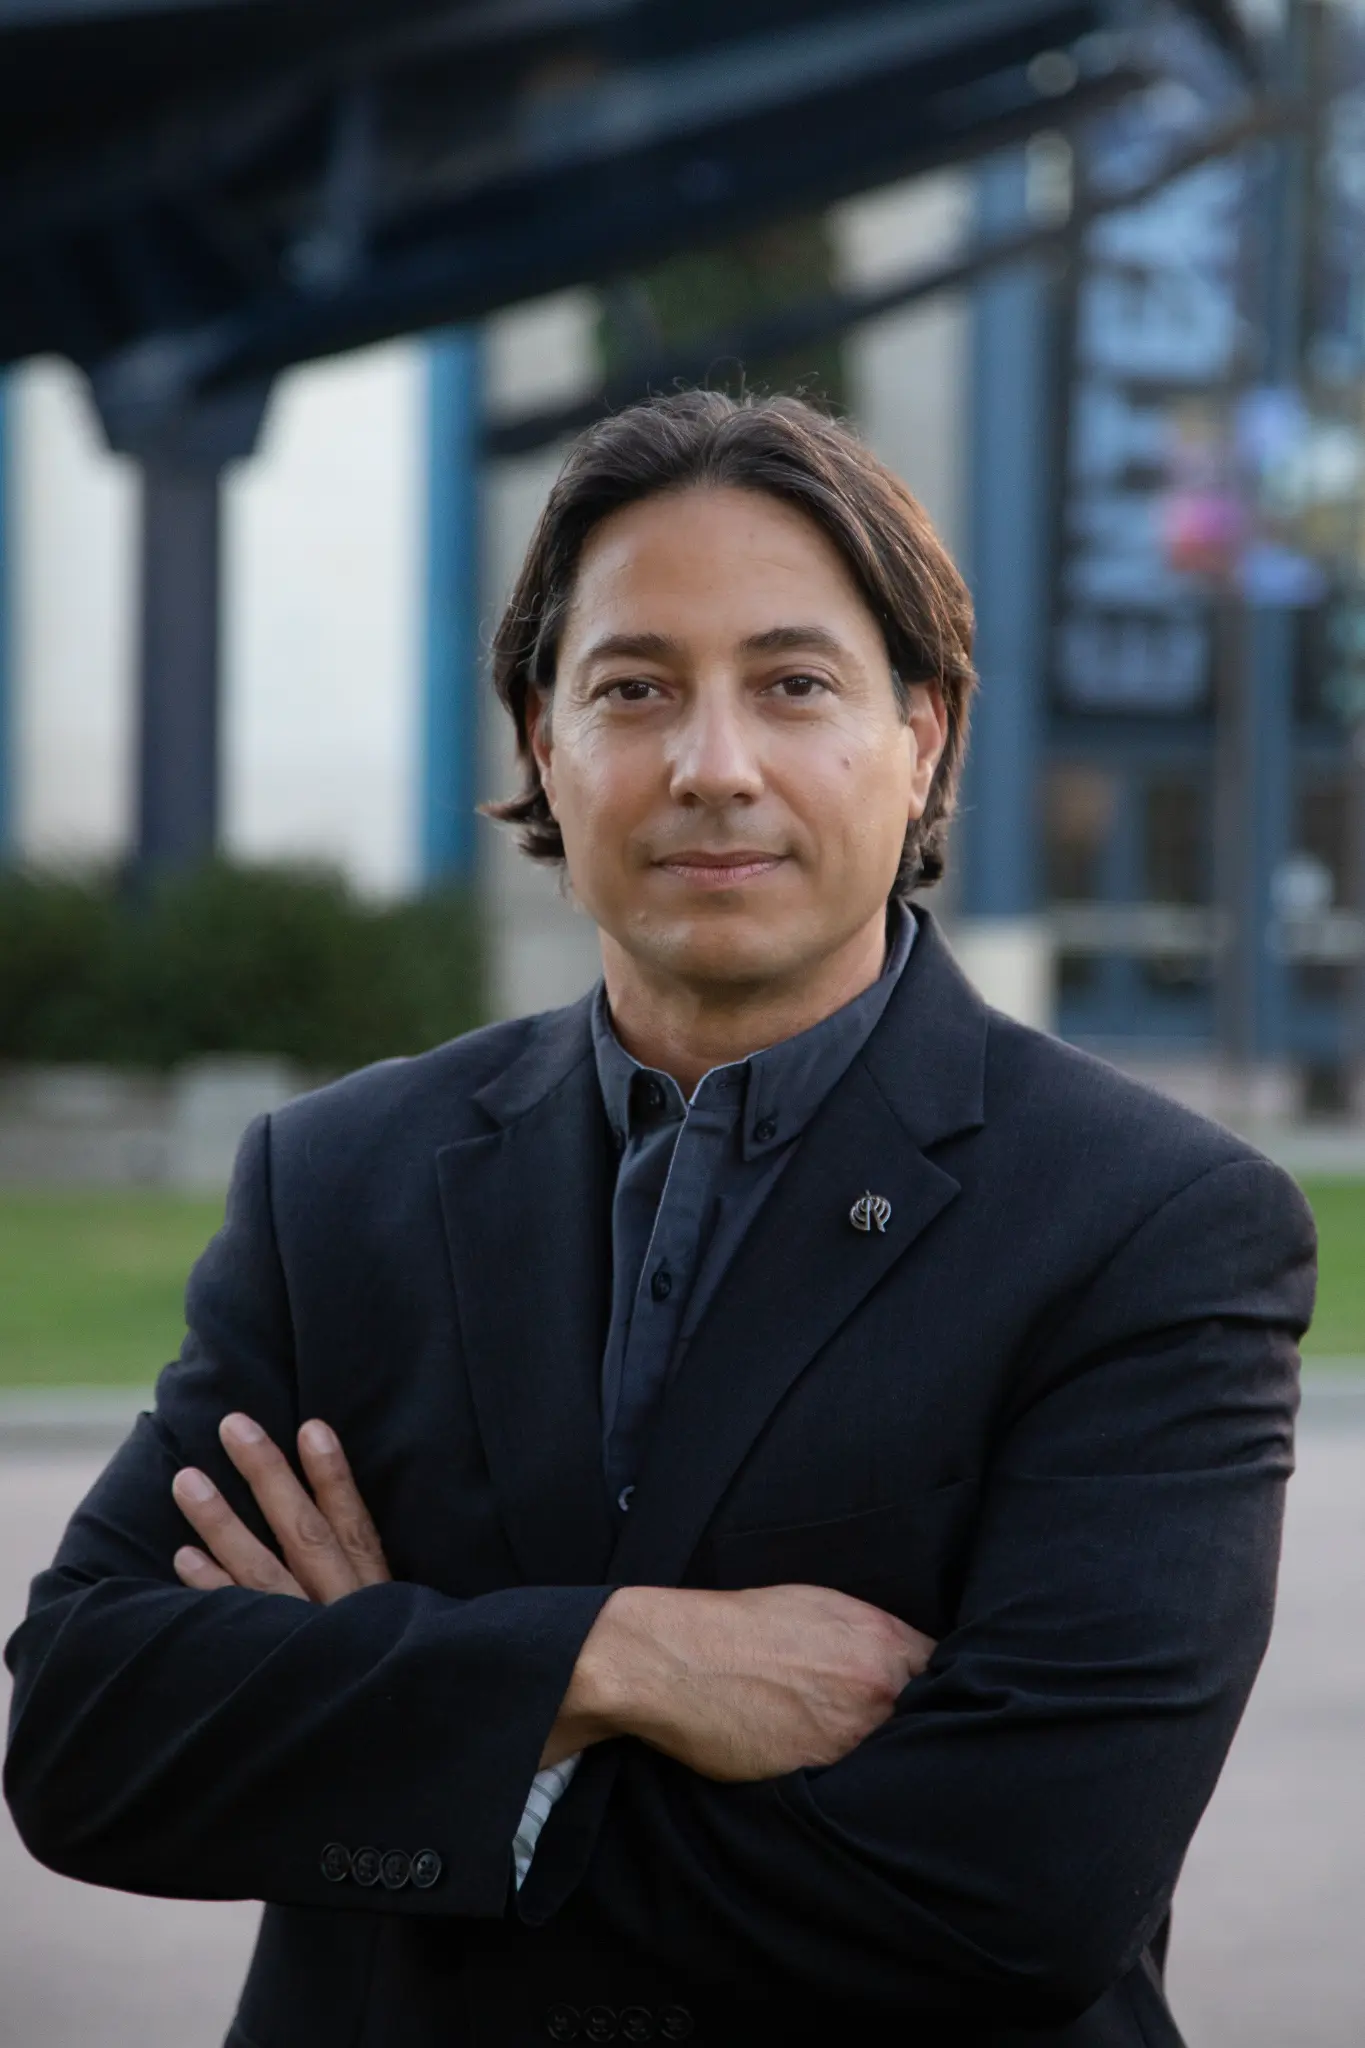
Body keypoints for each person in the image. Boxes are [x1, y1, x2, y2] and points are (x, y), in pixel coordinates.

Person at [5, 392, 1314, 2048]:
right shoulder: (337, 1183)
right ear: (542, 743)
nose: (714, 766)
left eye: (794, 684)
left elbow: (1019, 1886)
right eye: (634, 689)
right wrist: (619, 1664)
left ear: (923, 736)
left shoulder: (1151, 1227)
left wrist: (416, 1716)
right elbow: (89, 1736)